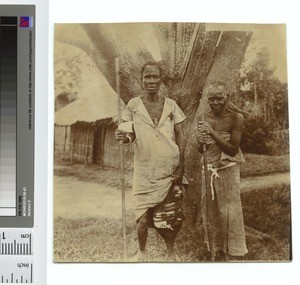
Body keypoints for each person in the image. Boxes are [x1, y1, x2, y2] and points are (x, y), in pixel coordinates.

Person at [115, 61, 187, 262]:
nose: (152, 81)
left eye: (155, 77)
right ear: (141, 80)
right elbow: (130, 135)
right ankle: (142, 253)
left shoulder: (171, 105)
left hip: (169, 168)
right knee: (143, 218)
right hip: (145, 171)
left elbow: (180, 136)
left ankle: (171, 253)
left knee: (170, 216)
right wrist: (124, 138)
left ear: (161, 80)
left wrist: (181, 166)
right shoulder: (134, 105)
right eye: (148, 77)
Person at [197, 80, 248, 261]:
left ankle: (233, 252)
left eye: (219, 98)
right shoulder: (203, 117)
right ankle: (215, 250)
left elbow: (233, 149)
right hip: (209, 171)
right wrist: (201, 139)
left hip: (228, 171)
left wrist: (211, 133)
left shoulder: (236, 118)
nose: (215, 102)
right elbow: (200, 149)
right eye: (212, 99)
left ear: (228, 97)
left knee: (230, 213)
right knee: (211, 213)